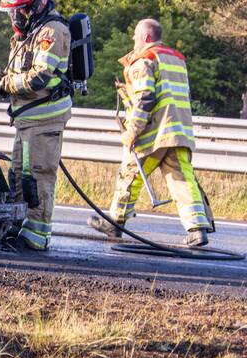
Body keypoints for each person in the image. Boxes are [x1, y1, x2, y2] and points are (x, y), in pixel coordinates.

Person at [88, 18, 214, 246]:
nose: (133, 41)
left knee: (130, 175)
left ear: (145, 37)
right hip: (178, 131)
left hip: (154, 133)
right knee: (183, 180)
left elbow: (145, 97)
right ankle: (197, 229)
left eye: (135, 37)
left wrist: (132, 131)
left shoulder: (143, 60)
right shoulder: (176, 59)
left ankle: (114, 224)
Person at [0, 0, 72, 251]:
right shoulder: (27, 34)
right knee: (19, 174)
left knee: (37, 176)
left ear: (32, 7)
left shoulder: (51, 32)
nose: (13, 18)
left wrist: (1, 82)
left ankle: (36, 235)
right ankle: (19, 226)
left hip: (44, 119)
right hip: (27, 119)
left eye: (17, 12)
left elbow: (38, 79)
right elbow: (16, 73)